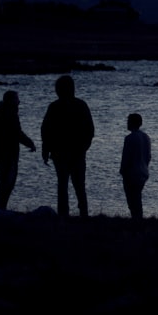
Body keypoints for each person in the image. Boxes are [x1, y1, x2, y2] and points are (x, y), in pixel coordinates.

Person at [41, 75, 95, 218]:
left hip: (60, 153)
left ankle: (63, 214)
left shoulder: (54, 107)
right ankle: (84, 214)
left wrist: (46, 150)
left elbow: (46, 130)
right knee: (79, 186)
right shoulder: (81, 105)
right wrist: (84, 147)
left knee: (62, 185)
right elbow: (90, 130)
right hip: (77, 153)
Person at [0, 90, 36, 211]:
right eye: (16, 99)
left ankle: (1, 207)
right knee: (8, 182)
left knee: (4, 180)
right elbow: (17, 133)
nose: (19, 101)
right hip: (8, 153)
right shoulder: (10, 114)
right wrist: (30, 143)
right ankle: (2, 208)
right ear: (11, 101)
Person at [119, 112, 151, 221]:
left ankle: (136, 220)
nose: (127, 123)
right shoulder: (146, 137)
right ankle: (138, 219)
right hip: (143, 172)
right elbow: (148, 156)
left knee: (132, 200)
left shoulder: (129, 138)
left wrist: (122, 170)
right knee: (137, 198)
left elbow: (126, 157)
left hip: (132, 173)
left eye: (128, 121)